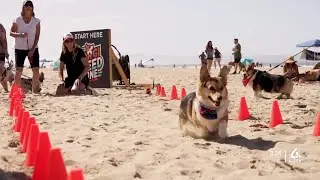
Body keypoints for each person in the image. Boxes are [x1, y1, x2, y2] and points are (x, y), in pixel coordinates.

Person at [10, 0, 41, 93]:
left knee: (35, 70)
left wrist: (32, 49)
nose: (28, 6)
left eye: (30, 5)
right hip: (19, 48)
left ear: (32, 8)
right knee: (19, 70)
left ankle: (35, 91)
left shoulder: (36, 21)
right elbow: (11, 33)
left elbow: (37, 37)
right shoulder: (17, 19)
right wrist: (20, 34)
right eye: (26, 5)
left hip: (33, 48)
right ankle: (16, 92)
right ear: (23, 8)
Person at [0, 23, 9, 92]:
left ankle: (6, 89)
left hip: (1, 52)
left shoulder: (1, 27)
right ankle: (6, 90)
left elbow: (4, 40)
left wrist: (5, 51)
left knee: (1, 72)